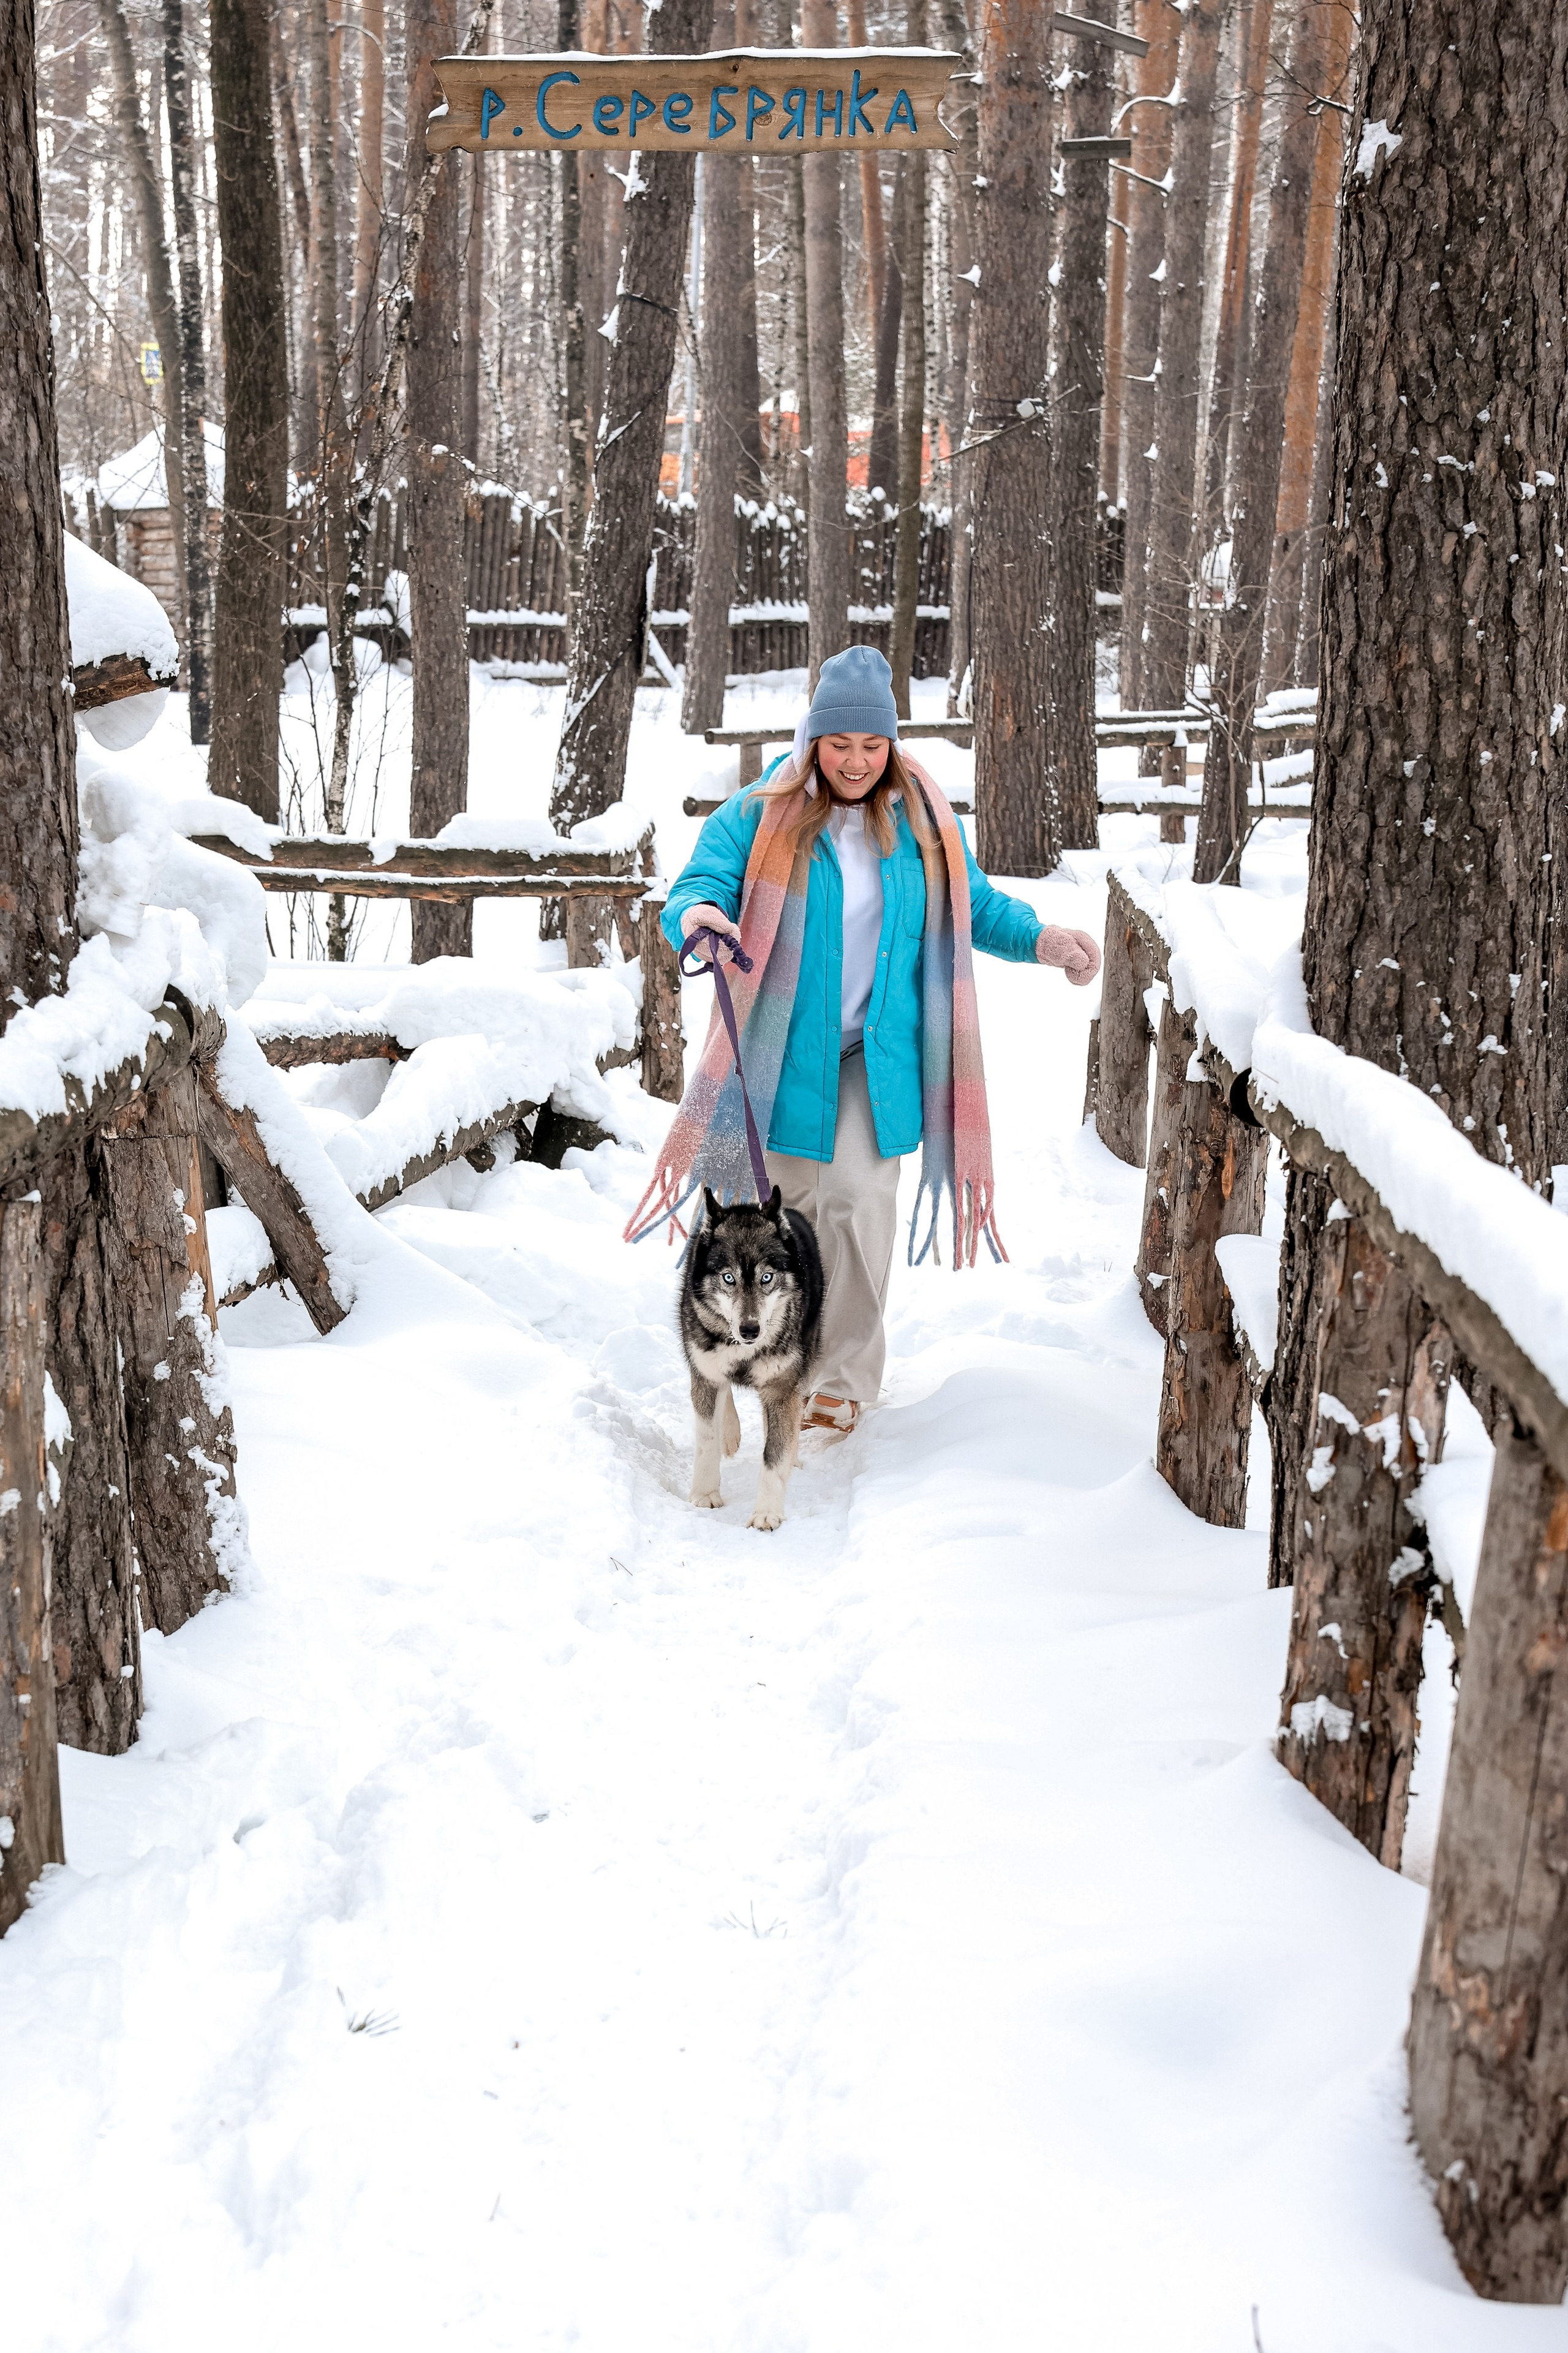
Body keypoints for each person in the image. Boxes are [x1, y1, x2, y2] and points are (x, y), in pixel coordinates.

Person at [626, 645, 1101, 1436]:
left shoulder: (922, 820)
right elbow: (700, 884)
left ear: (891, 745)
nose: (854, 761)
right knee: (777, 1212)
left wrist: (1043, 939)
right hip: (774, 1050)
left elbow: (974, 904)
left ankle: (841, 1375)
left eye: (871, 745)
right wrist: (701, 918)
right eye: (839, 745)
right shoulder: (759, 811)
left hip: (870, 1057)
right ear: (813, 740)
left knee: (857, 1200)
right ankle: (759, 1365)